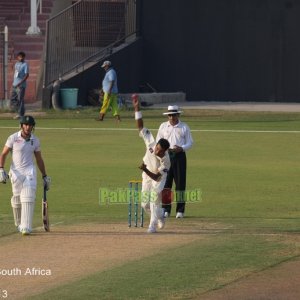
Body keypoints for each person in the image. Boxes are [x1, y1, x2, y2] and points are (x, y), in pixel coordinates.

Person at [0, 116, 51, 236]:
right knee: (17, 199)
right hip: (16, 173)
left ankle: (26, 227)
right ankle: (19, 224)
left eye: (30, 125)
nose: (28, 127)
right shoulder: (13, 138)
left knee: (28, 197)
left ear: (33, 127)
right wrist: (1, 169)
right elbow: (3, 154)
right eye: (25, 125)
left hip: (29, 171)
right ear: (21, 126)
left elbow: (39, 159)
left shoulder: (35, 140)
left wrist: (44, 175)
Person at [132, 94, 171, 233]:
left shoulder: (166, 161)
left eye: (161, 151)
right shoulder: (151, 141)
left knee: (154, 198)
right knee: (144, 204)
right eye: (157, 149)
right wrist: (137, 109)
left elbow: (156, 177)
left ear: (166, 151)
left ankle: (152, 225)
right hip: (147, 174)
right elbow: (141, 127)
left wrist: (144, 169)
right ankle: (161, 215)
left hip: (158, 176)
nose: (157, 152)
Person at [156, 105, 193, 218]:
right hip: (166, 156)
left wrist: (181, 148)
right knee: (166, 184)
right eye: (170, 115)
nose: (172, 117)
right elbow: (158, 141)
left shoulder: (184, 127)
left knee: (180, 184)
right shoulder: (163, 126)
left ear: (178, 115)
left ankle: (180, 211)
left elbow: (190, 142)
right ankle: (166, 209)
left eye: (174, 115)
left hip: (179, 156)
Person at [10, 52, 29, 119]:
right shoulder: (16, 64)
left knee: (20, 99)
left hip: (20, 86)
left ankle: (20, 114)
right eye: (20, 57)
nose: (21, 58)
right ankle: (20, 111)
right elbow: (15, 73)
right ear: (17, 57)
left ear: (24, 57)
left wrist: (20, 83)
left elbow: (27, 75)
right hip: (14, 84)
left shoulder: (25, 64)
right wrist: (14, 82)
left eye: (22, 57)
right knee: (13, 99)